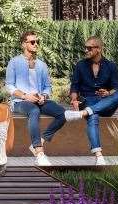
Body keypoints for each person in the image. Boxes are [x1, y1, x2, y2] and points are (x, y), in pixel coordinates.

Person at [6, 30, 70, 166]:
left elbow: (48, 87)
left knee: (62, 113)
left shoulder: (42, 65)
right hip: (20, 102)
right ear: (24, 44)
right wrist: (25, 96)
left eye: (37, 42)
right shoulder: (14, 62)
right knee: (34, 111)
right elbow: (9, 86)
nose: (36, 44)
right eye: (33, 42)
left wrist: (44, 95)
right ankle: (39, 152)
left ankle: (40, 140)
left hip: (39, 100)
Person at [67, 35, 118, 165]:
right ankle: (99, 156)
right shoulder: (80, 65)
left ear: (98, 49)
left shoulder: (111, 66)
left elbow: (116, 88)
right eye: (85, 48)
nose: (86, 51)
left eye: (89, 48)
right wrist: (74, 100)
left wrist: (108, 92)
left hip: (105, 102)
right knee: (93, 115)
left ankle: (85, 112)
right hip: (88, 100)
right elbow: (74, 86)